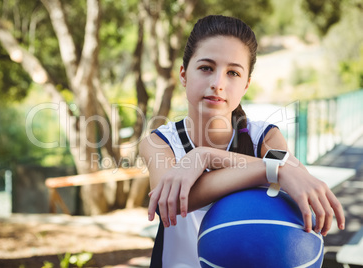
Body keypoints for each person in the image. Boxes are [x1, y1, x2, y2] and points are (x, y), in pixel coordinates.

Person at [139, 15, 345, 268]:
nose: (218, 84)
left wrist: (205, 156)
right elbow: (172, 200)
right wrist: (272, 169)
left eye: (233, 73)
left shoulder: (265, 137)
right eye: (206, 68)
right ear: (183, 75)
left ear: (246, 85)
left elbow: (297, 180)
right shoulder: (159, 143)